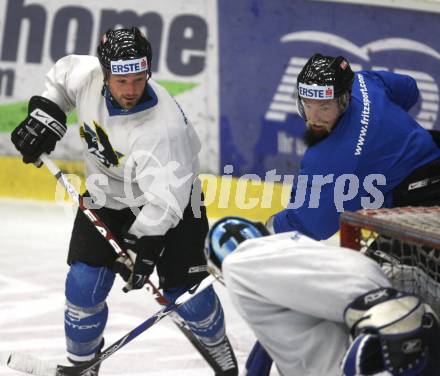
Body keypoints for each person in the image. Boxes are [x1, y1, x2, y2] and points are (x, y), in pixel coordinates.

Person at [11, 27, 238, 375]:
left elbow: (168, 201)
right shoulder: (86, 77)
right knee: (82, 286)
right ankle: (84, 366)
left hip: (174, 204)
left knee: (188, 298)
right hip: (107, 194)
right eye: (121, 81)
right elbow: (61, 79)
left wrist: (141, 241)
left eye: (138, 78)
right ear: (104, 73)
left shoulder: (161, 130)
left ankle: (217, 344)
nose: (131, 89)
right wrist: (47, 114)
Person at [205, 216, 440, 376]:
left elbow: (367, 292)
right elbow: (266, 347)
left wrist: (380, 307)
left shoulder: (238, 266)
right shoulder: (300, 251)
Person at [270, 53, 440, 239]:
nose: (314, 118)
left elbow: (309, 226)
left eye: (325, 107)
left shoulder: (331, 157)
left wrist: (267, 229)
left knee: (388, 268)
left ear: (344, 100)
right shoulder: (362, 82)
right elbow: (408, 88)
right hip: (431, 152)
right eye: (308, 105)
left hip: (424, 203)